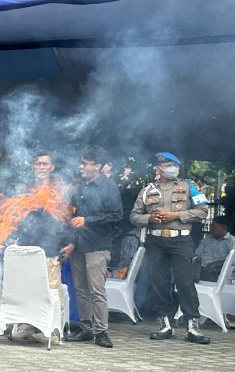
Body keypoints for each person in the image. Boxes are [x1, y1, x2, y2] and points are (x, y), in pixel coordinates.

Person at [130, 152, 210, 344]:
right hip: (156, 241)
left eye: (174, 165)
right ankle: (166, 325)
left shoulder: (189, 186)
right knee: (159, 283)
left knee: (185, 283)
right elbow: (134, 216)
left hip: (181, 240)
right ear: (158, 168)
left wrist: (176, 216)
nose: (172, 168)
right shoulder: (147, 190)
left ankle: (192, 327)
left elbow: (203, 211)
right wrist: (150, 218)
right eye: (167, 165)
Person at [61, 147, 123, 348]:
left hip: (98, 245)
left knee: (96, 290)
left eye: (85, 163)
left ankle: (101, 331)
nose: (81, 166)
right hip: (79, 245)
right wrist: (71, 242)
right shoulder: (80, 187)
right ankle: (86, 328)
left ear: (97, 166)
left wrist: (87, 220)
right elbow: (72, 216)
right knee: (80, 289)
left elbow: (116, 216)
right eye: (81, 162)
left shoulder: (108, 187)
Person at [9, 150, 71, 341]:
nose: (42, 167)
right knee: (27, 290)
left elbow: (70, 219)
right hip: (26, 249)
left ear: (52, 167)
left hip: (51, 249)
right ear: (33, 167)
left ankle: (54, 329)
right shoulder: (24, 189)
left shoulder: (61, 190)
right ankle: (26, 326)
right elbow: (13, 217)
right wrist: (12, 237)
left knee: (52, 291)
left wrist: (71, 243)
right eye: (39, 164)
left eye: (45, 164)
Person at [194, 216, 234, 282]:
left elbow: (233, 260)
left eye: (213, 226)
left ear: (224, 227)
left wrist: (217, 263)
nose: (210, 229)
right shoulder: (208, 238)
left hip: (217, 272)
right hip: (200, 269)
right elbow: (197, 253)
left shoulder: (231, 241)